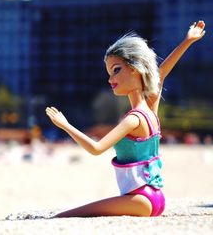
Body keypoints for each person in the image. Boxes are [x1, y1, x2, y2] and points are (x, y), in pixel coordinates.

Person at [46, 21, 206, 217]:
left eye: (116, 70)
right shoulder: (150, 112)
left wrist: (65, 125)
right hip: (156, 197)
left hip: (140, 199)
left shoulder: (134, 119)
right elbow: (161, 75)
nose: (110, 79)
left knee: (65, 215)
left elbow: (96, 149)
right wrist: (187, 41)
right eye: (109, 72)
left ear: (135, 69)